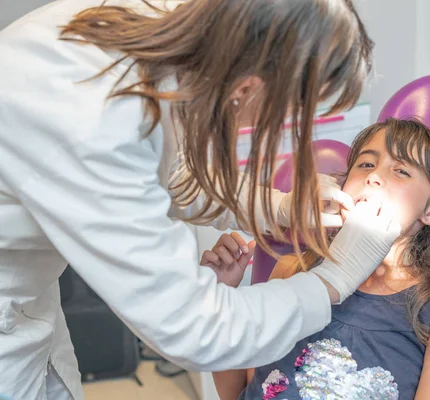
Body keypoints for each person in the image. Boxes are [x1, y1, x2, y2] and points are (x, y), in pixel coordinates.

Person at [0, 1, 404, 399]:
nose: (374, 183)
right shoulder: (93, 119)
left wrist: (278, 206)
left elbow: (166, 174)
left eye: (402, 172)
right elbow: (192, 325)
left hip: (27, 302)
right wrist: (334, 279)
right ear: (247, 87)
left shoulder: (174, 30)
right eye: (287, 112)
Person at [210, 119, 430, 400]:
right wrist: (220, 295)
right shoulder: (293, 270)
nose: (374, 176)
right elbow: (247, 390)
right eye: (365, 164)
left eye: (401, 170)